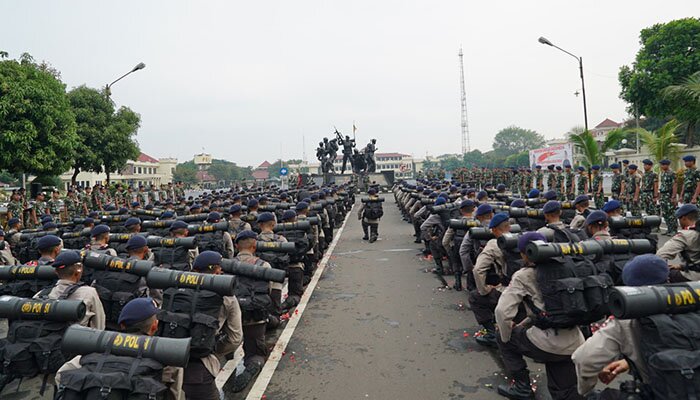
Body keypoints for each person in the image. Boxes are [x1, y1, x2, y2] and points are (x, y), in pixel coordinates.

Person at [495, 231, 585, 399]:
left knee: (502, 336)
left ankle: (522, 388)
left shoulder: (524, 275)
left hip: (546, 342)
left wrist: (507, 336)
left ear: (524, 253)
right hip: (575, 340)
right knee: (564, 391)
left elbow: (502, 312)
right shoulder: (568, 266)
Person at [571, 254, 670, 398]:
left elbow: (583, 359)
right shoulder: (692, 300)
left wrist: (585, 391)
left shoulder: (626, 320)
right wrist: (628, 362)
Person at [55, 298, 185, 400]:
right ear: (154, 327)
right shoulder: (166, 357)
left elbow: (61, 375)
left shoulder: (95, 348)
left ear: (122, 325)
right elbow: (174, 394)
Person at [231, 232, 272, 393]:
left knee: (227, 343)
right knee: (256, 353)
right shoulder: (263, 265)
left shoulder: (227, 264)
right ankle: (252, 366)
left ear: (236, 247)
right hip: (255, 316)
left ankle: (228, 355)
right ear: (254, 246)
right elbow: (268, 290)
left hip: (231, 317)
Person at [468, 212, 510, 347]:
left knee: (475, 298)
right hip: (531, 292)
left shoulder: (494, 244)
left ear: (494, 230)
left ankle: (492, 334)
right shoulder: (521, 238)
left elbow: (478, 269)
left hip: (508, 290)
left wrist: (484, 290)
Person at [35, 250, 105, 329]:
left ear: (56, 272)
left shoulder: (41, 294)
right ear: (79, 270)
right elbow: (99, 325)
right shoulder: (89, 292)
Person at [656, 204, 700, 282]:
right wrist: (681, 266)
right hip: (695, 269)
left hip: (695, 277)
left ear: (683, 218)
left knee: (660, 273)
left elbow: (661, 255)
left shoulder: (684, 235)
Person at [659, 159, 679, 235]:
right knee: (665, 213)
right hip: (663, 195)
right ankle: (669, 229)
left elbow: (675, 185)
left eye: (663, 165)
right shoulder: (663, 173)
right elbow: (663, 185)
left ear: (667, 165)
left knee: (671, 213)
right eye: (661, 165)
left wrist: (673, 196)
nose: (662, 166)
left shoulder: (672, 173)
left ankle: (674, 230)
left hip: (669, 195)